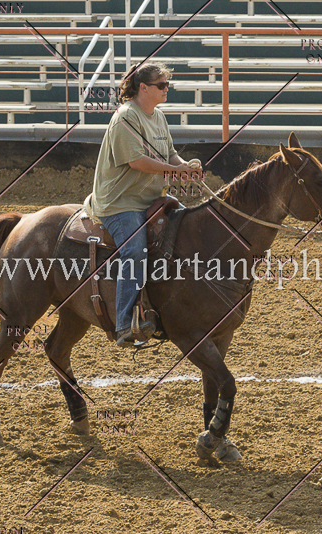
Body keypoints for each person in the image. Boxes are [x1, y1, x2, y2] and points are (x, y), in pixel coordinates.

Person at [83, 62, 201, 347]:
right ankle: (125, 323)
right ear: (144, 88)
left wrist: (184, 166)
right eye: (161, 85)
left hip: (149, 198)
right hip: (119, 202)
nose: (166, 89)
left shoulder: (158, 116)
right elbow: (136, 161)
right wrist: (175, 171)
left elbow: (170, 154)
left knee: (189, 229)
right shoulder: (125, 117)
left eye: (167, 84)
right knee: (135, 251)